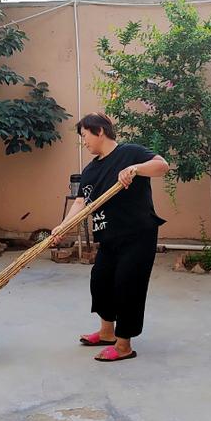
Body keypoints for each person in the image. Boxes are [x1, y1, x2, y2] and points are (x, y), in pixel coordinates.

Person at [50, 113, 170, 362]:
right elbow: (82, 202)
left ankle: (124, 345)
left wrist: (135, 169)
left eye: (85, 136)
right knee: (101, 281)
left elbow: (162, 166)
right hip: (109, 236)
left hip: (137, 233)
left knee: (128, 285)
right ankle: (107, 333)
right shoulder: (91, 170)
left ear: (99, 131)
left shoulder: (130, 153)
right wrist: (63, 227)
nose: (84, 142)